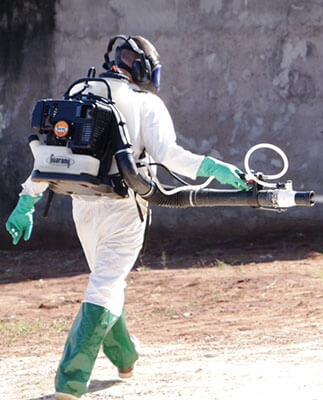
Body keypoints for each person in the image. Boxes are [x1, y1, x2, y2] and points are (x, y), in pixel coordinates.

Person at [5, 35, 249, 400]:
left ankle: (126, 357)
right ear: (146, 69)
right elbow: (171, 156)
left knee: (107, 281)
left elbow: (53, 154)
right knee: (104, 284)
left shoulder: (80, 92)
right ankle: (69, 383)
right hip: (124, 205)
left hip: (82, 204)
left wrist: (26, 201)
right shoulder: (144, 102)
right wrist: (219, 168)